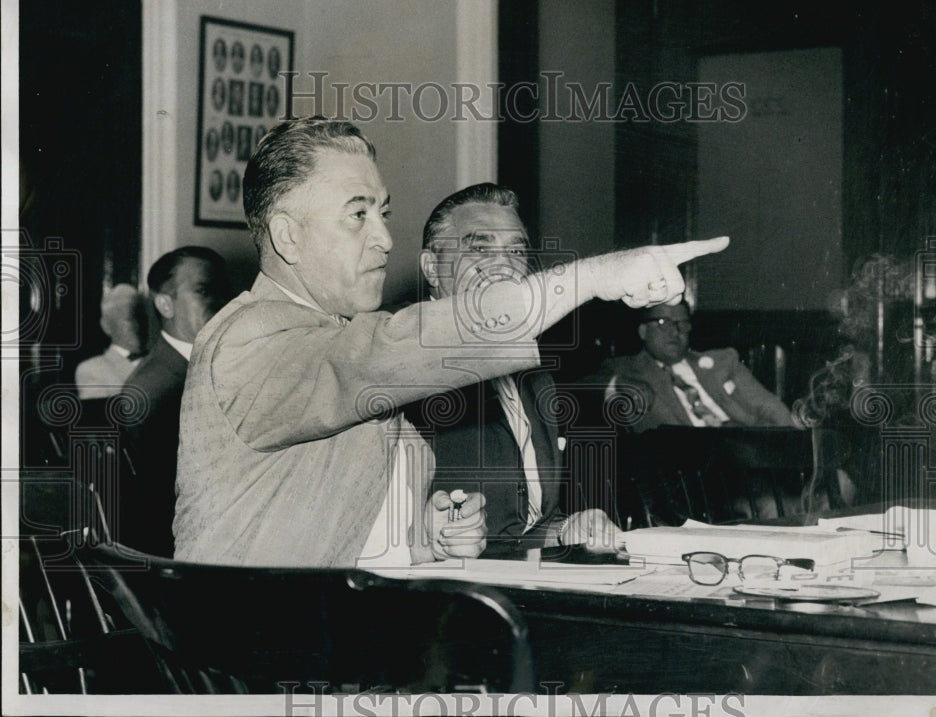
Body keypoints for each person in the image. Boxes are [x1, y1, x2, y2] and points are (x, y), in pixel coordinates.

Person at [172, 116, 727, 568]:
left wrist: (427, 537)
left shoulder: (331, 335)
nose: (385, 238)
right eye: (357, 215)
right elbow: (382, 353)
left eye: (383, 213)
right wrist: (595, 278)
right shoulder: (251, 337)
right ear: (288, 234)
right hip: (256, 667)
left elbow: (334, 523)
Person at [408, 184, 618, 556]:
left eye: (516, 250)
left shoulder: (533, 374)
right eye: (480, 248)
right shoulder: (406, 366)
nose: (504, 266)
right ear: (432, 268)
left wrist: (567, 528)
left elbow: (516, 532)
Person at [119, 246, 231, 556]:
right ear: (166, 304)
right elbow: (157, 509)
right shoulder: (150, 390)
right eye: (204, 291)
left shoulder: (223, 364)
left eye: (225, 291)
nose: (222, 302)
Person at [600, 300, 798, 432]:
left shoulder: (723, 361)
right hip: (685, 473)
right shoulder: (625, 370)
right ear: (643, 331)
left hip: (744, 455)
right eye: (663, 322)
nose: (675, 332)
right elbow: (585, 388)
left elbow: (770, 407)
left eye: (682, 323)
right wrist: (619, 385)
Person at [75, 284, 146, 400]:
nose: (137, 325)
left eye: (141, 317)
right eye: (129, 318)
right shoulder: (92, 370)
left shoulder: (165, 361)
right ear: (106, 326)